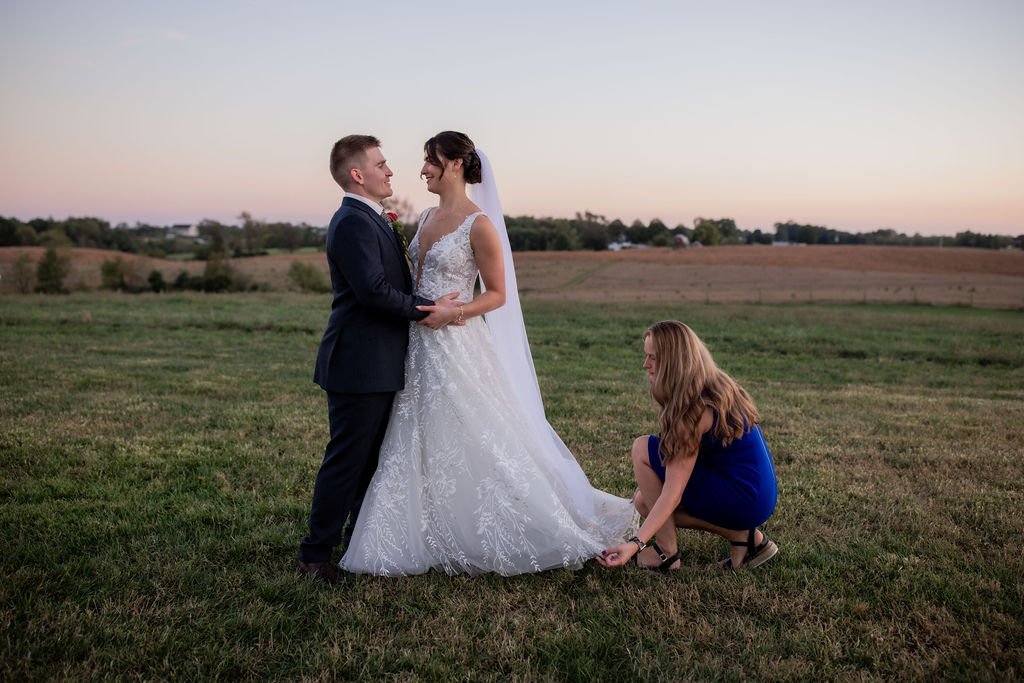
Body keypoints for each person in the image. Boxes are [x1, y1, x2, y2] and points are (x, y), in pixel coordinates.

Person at [340, 131, 636, 576]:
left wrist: (455, 311)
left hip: (456, 342)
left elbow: (497, 294)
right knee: (417, 435)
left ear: (456, 164)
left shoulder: (478, 225)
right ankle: (425, 524)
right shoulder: (425, 217)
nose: (422, 169)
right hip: (416, 343)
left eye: (431, 160)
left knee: (477, 434)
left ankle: (508, 522)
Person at [298, 134, 462, 584]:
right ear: (358, 174)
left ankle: (358, 542)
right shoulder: (352, 221)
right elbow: (372, 292)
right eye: (381, 164)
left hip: (377, 361)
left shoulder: (371, 217)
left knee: (369, 460)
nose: (390, 171)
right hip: (358, 363)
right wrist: (429, 308)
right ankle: (315, 554)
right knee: (347, 460)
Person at [597, 320, 778, 572]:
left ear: (673, 361)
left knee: (642, 449)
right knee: (643, 501)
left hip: (743, 496)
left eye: (653, 357)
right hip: (758, 494)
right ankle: (745, 538)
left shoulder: (694, 408)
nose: (645, 364)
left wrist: (635, 544)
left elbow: (672, 493)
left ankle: (665, 553)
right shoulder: (713, 383)